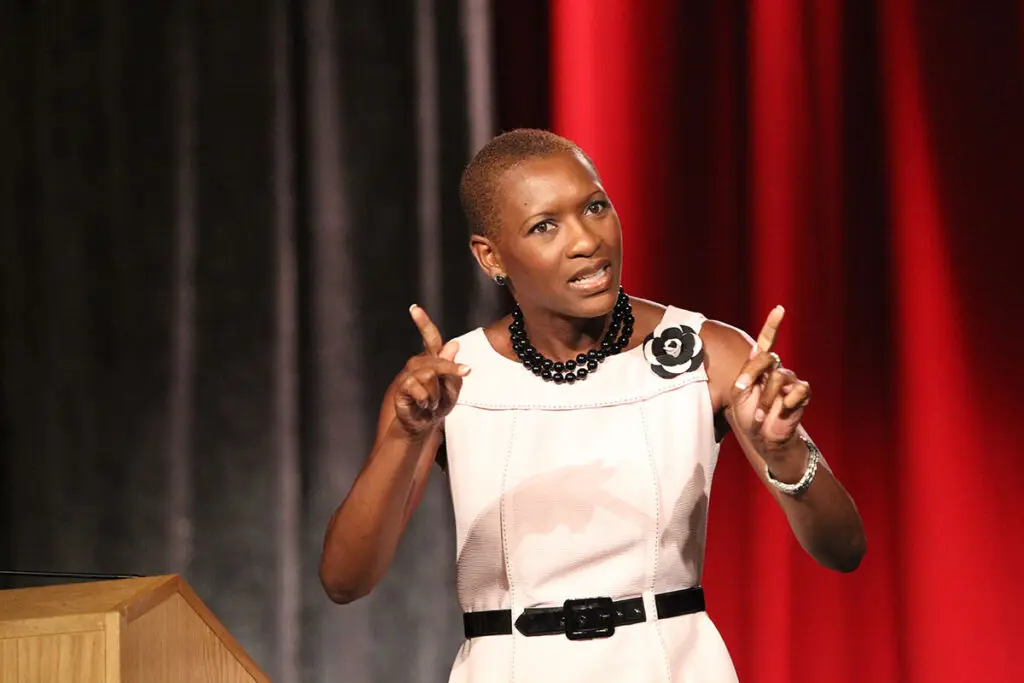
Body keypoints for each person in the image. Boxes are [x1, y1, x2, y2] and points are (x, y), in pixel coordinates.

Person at [319, 129, 866, 682]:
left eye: (595, 207)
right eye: (544, 226)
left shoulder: (710, 354)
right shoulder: (449, 381)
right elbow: (344, 580)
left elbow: (844, 549)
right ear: (490, 256)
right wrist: (407, 435)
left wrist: (784, 452)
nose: (586, 240)